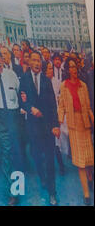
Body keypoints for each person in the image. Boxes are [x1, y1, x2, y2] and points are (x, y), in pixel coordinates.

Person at [19, 51, 60, 206]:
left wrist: (55, 125)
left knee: (50, 159)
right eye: (34, 60)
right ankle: (42, 177)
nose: (37, 63)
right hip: (33, 127)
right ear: (29, 62)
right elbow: (21, 101)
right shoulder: (23, 79)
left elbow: (52, 104)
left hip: (48, 126)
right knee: (36, 156)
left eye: (39, 60)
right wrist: (30, 108)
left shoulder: (46, 80)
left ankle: (52, 192)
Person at [0, 53, 23, 206]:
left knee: (16, 152)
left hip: (13, 115)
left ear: (3, 61)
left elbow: (19, 93)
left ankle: (19, 188)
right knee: (5, 152)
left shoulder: (12, 74)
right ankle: (12, 191)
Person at [58, 58, 94, 205]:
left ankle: (90, 177)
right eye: (71, 67)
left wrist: (92, 118)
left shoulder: (83, 85)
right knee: (80, 162)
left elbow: (88, 107)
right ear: (67, 69)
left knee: (89, 159)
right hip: (73, 127)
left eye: (75, 67)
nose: (74, 70)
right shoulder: (64, 86)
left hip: (85, 124)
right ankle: (86, 194)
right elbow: (61, 106)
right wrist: (58, 123)